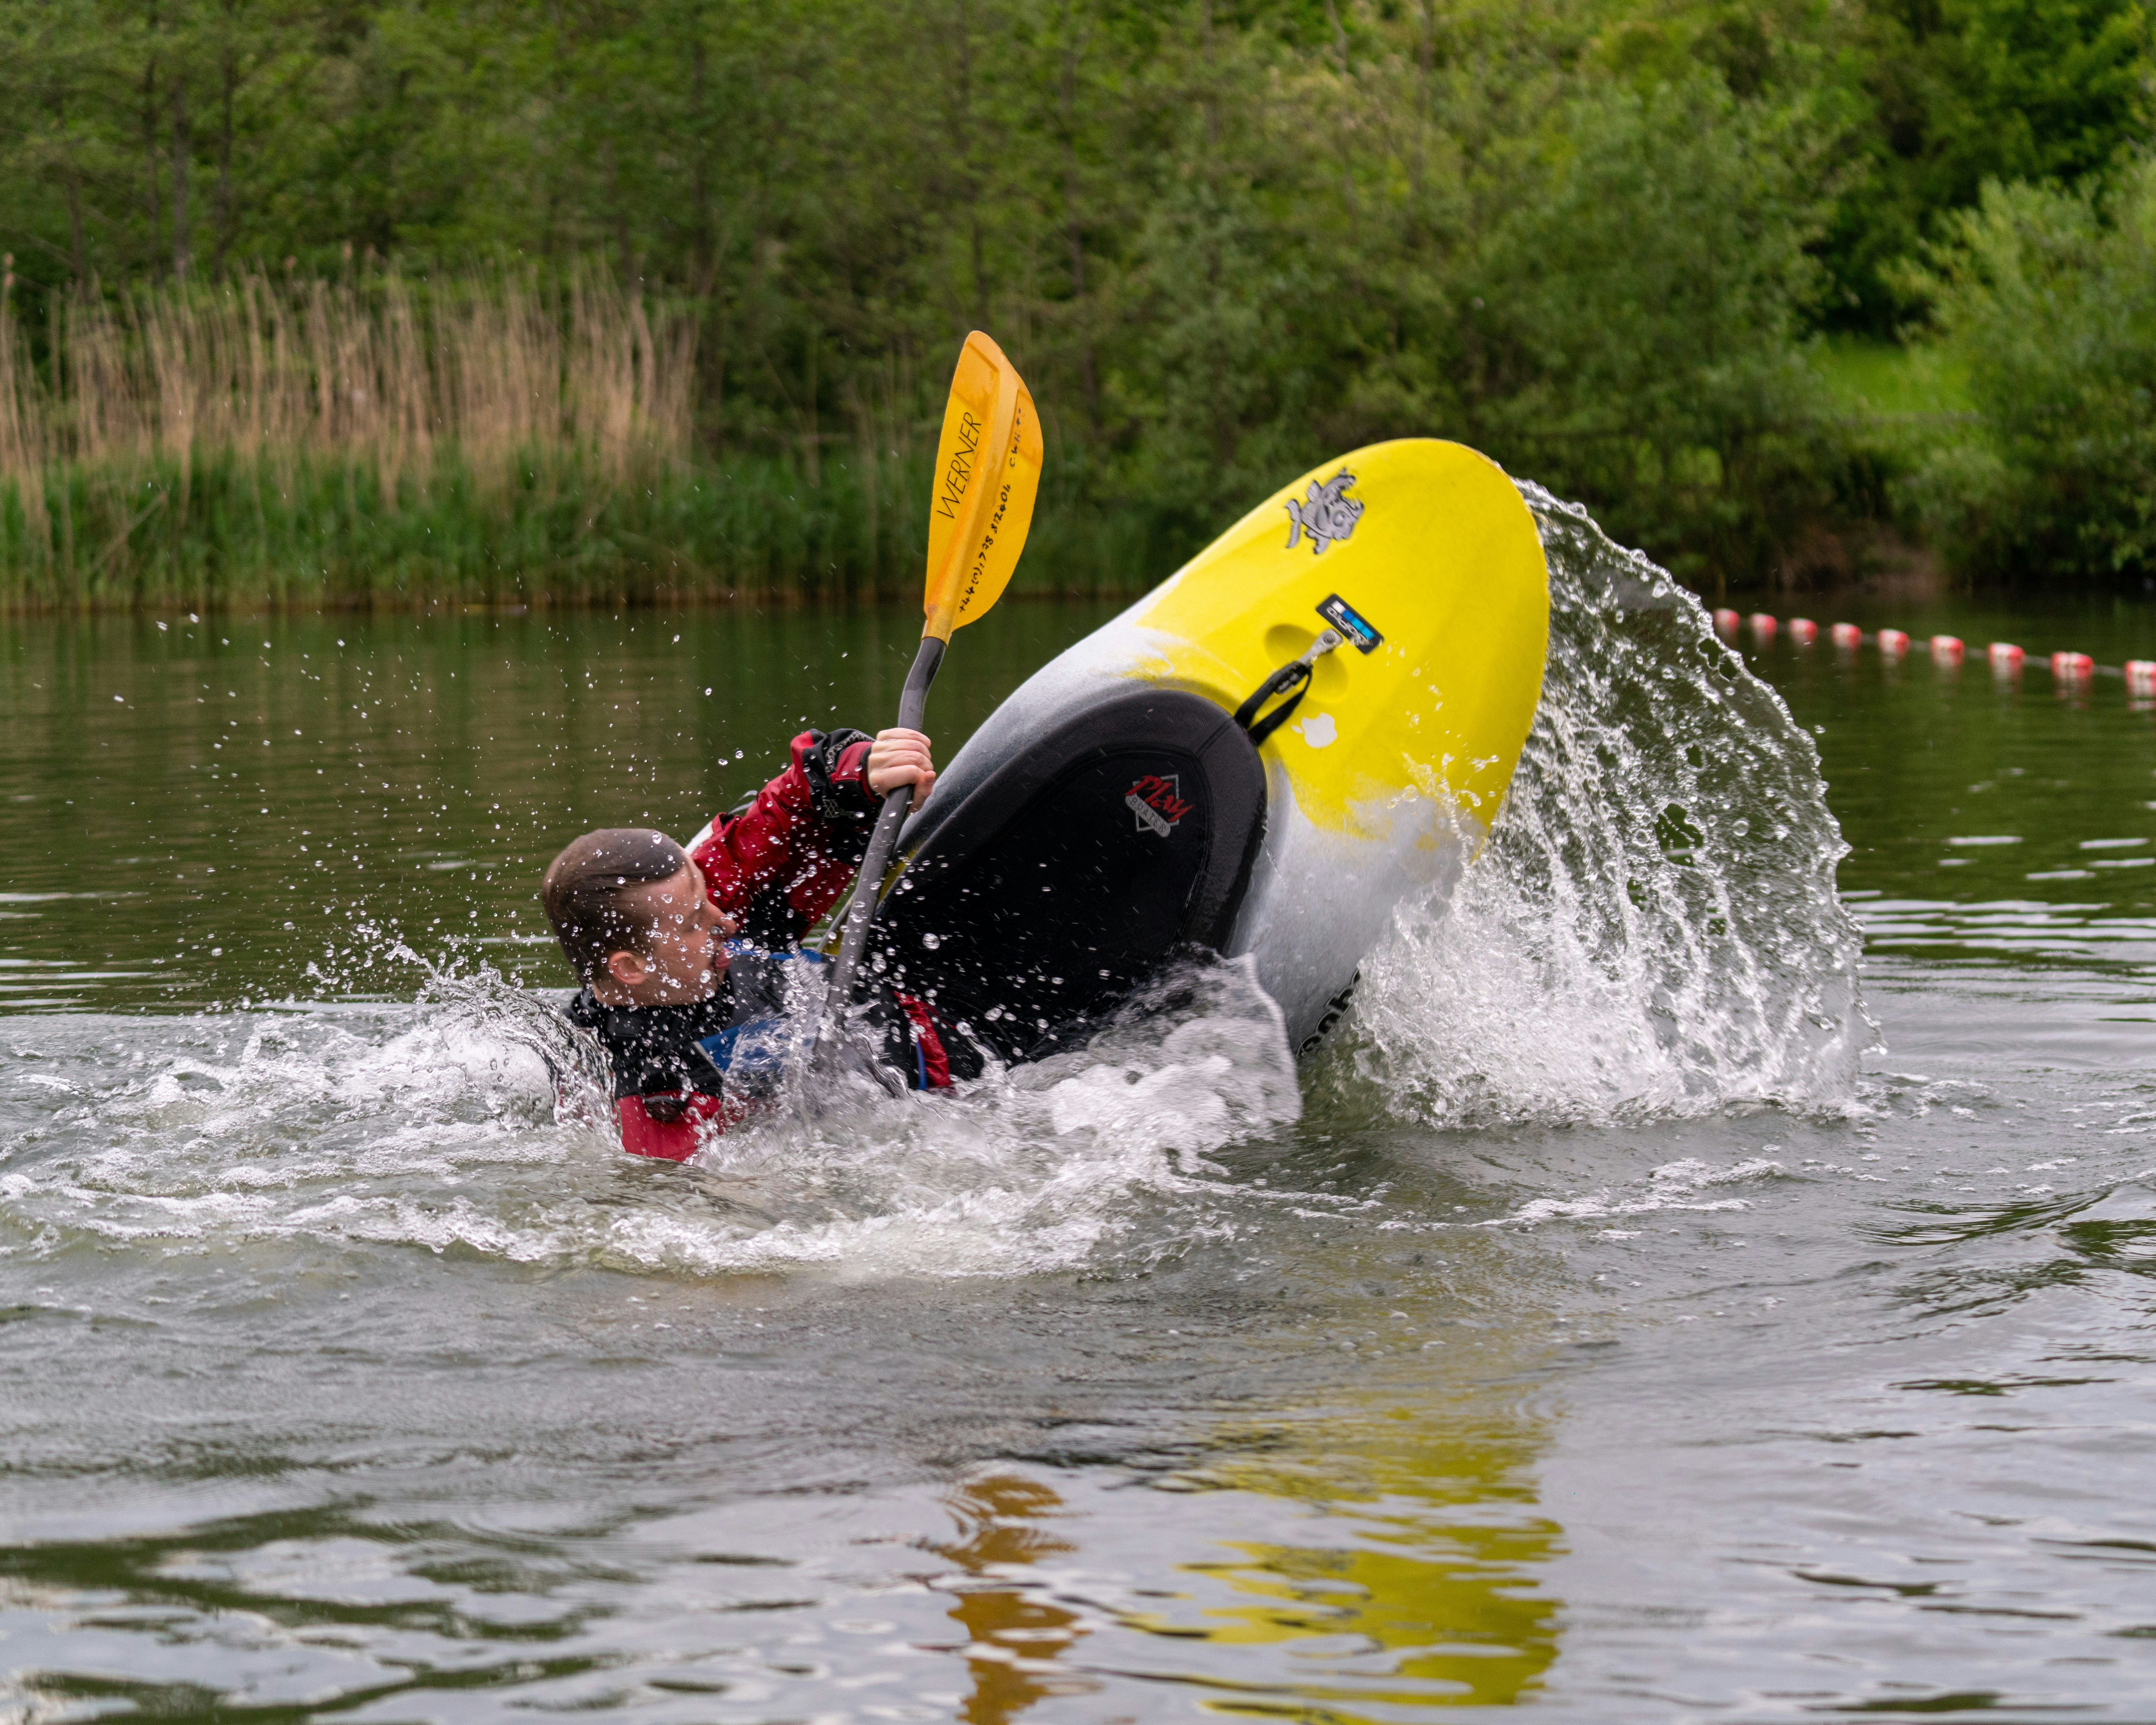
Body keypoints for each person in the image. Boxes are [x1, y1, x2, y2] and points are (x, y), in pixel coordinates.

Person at [542, 726, 967, 1161]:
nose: (725, 920)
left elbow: (792, 803)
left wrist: (863, 772)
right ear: (631, 968)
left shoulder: (681, 900)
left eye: (708, 899)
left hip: (935, 996)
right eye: (695, 921)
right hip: (967, 1103)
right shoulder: (646, 1099)